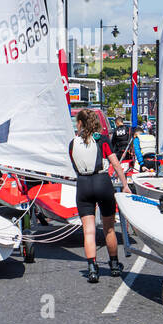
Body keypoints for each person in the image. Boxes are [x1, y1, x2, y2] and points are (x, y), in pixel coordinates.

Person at [69, 108, 131, 283]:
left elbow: (74, 165)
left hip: (83, 184)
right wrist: (125, 185)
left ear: (80, 123)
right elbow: (116, 164)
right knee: (109, 228)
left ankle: (92, 269)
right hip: (102, 182)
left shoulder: (72, 143)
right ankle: (113, 265)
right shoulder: (102, 140)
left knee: (88, 230)